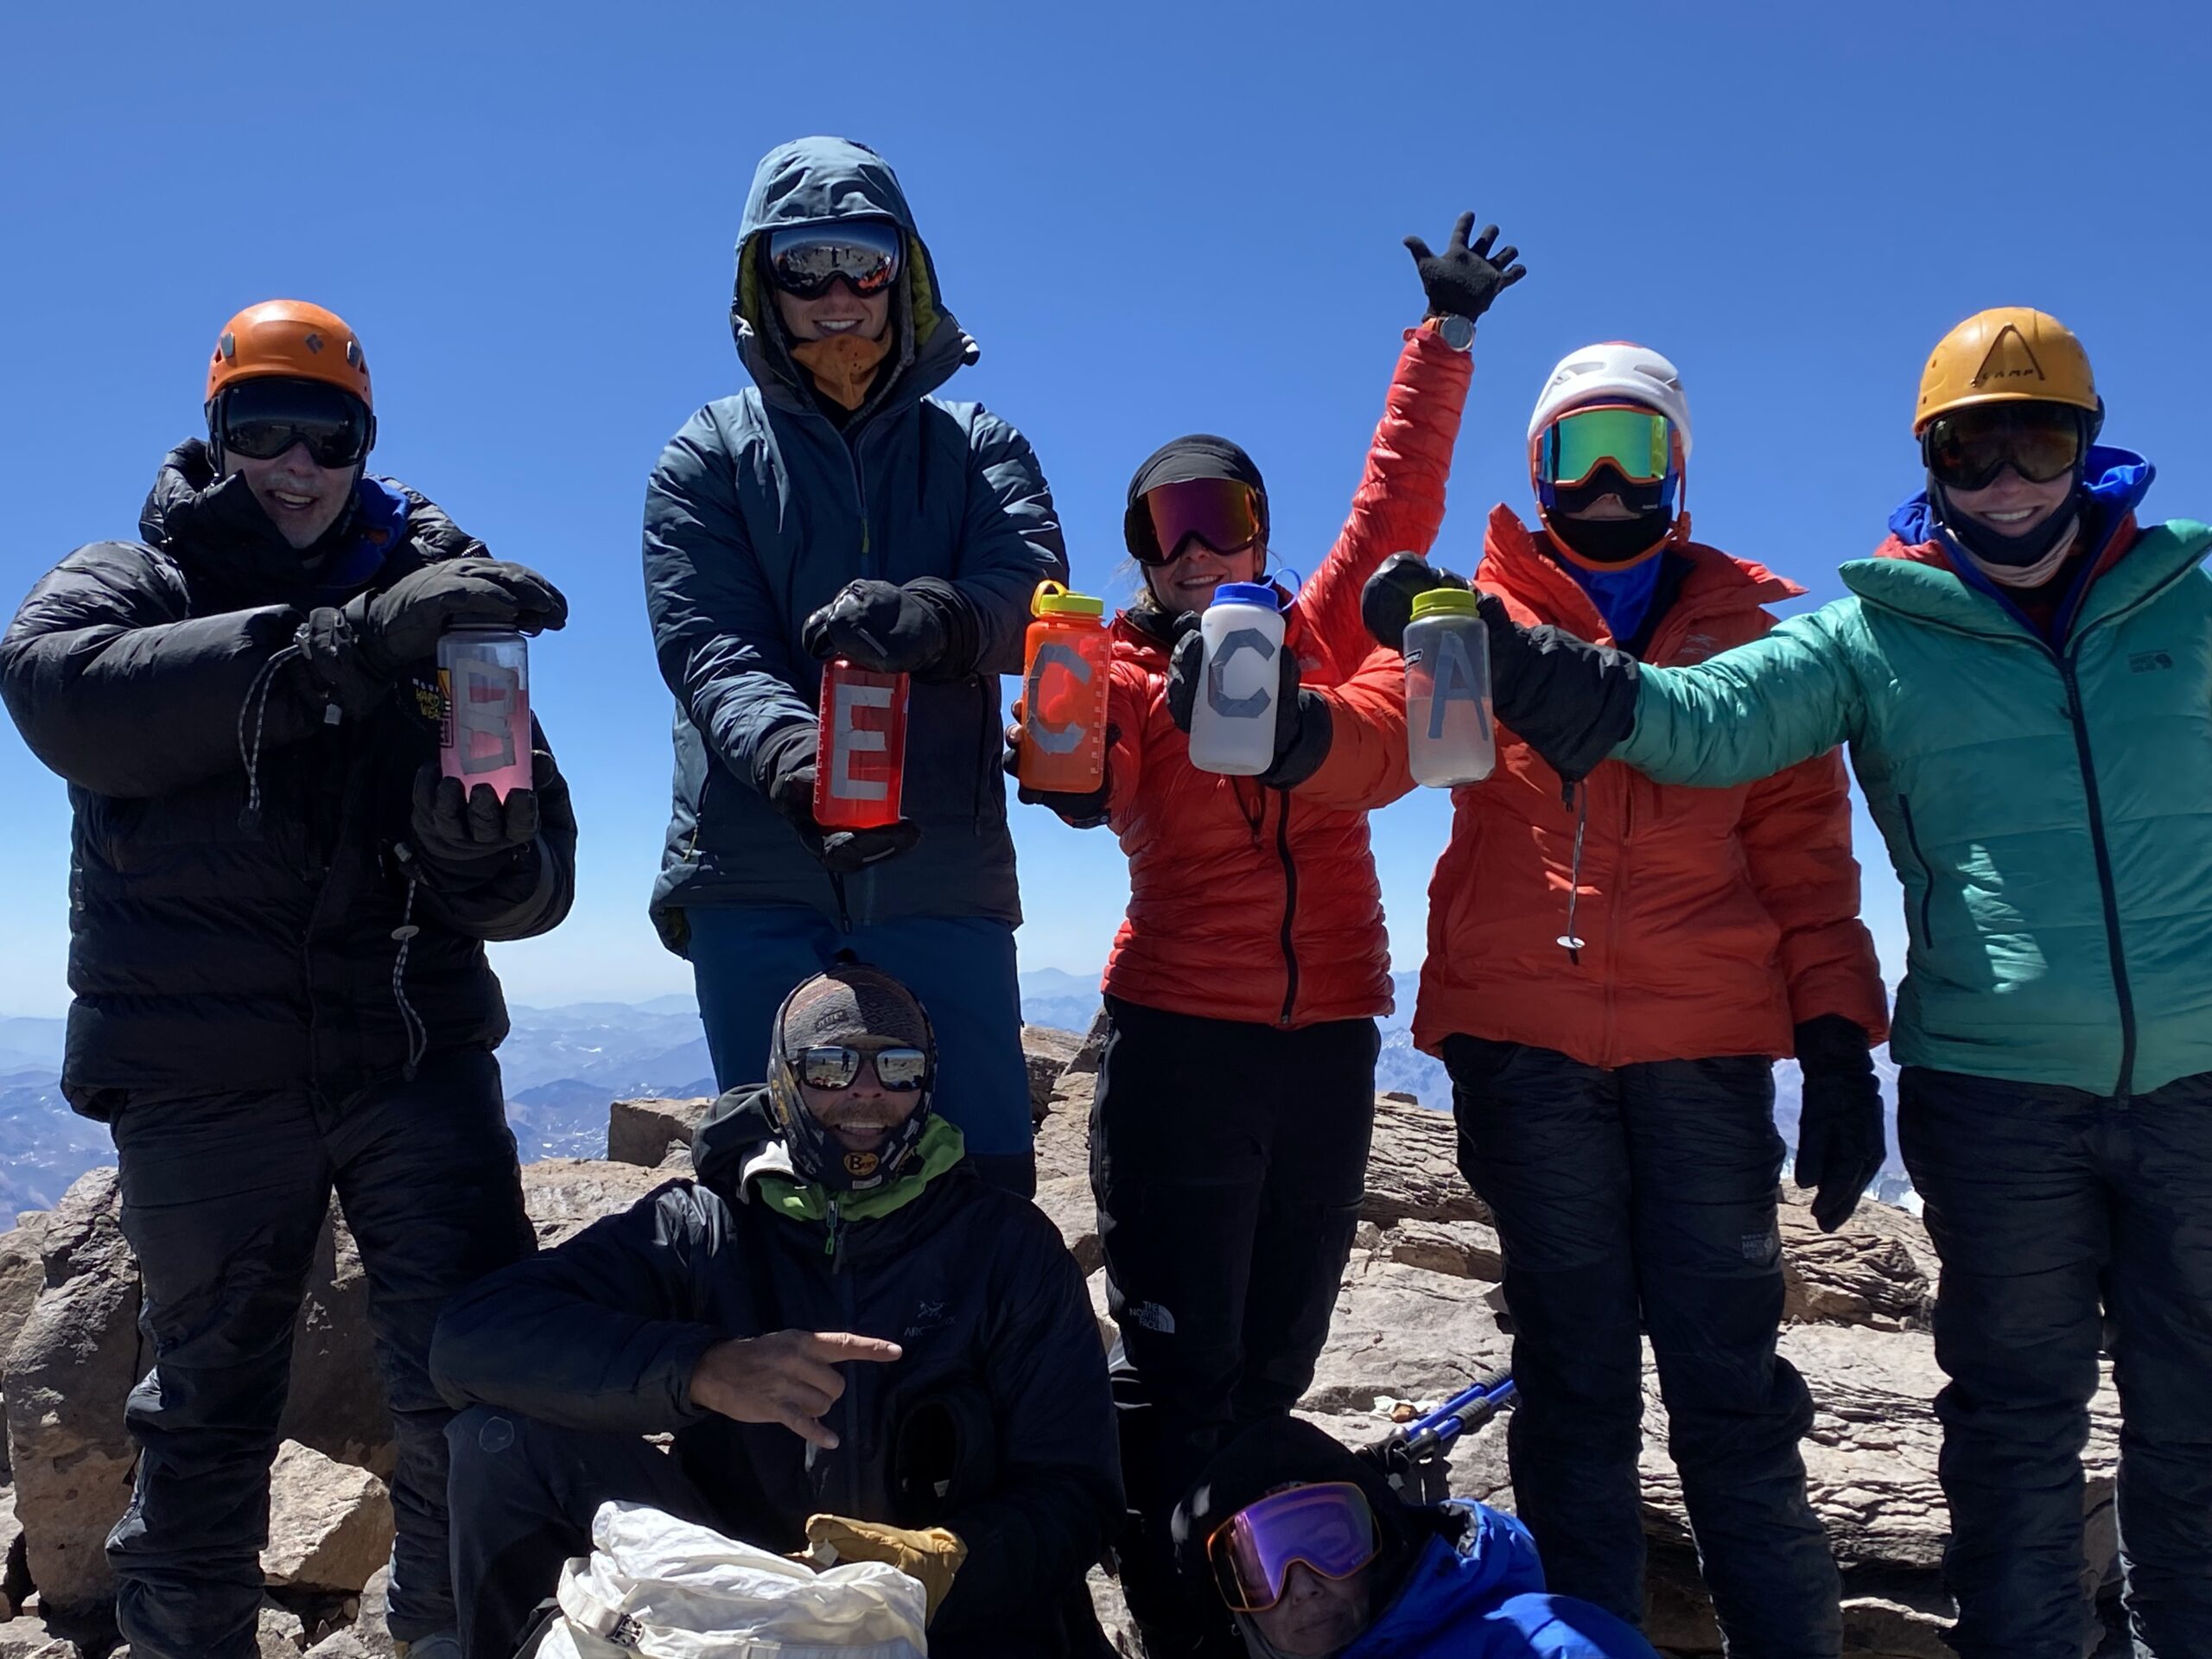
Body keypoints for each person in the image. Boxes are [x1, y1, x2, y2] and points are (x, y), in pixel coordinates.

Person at [1446, 307, 2212, 1657]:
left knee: (2196, 1416)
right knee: (2016, 1422)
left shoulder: (2193, 600)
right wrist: (1504, 660)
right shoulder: (1869, 635)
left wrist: (1834, 1039)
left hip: (2199, 1082)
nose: (2010, 480)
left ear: (2093, 446)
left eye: (2041, 441)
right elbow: (1693, 723)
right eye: (1972, 451)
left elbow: (1796, 860)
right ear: (1931, 459)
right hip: (1997, 1091)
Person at [0, 300, 573, 1659]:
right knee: (207, 1404)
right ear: (215, 435)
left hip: (411, 1059)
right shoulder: (134, 578)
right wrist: (339, 648)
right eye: (260, 429)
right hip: (205, 1076)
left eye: (328, 436)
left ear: (363, 446)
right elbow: (61, 693)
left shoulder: (445, 606)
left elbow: (538, 886)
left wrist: (481, 850)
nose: (294, 464)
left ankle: (449, 1638)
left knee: (466, 1382)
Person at [1009, 213, 1516, 1657]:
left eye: (1220, 520)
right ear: (1140, 561)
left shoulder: (1315, 638)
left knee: (1279, 1360)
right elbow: (1076, 761)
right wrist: (1062, 752)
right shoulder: (1109, 667)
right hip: (1181, 1047)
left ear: (1257, 533)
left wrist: (1446, 338)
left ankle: (1255, 1598)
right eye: (1166, 533)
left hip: (1327, 1047)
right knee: (1182, 1375)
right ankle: (1176, 1616)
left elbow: (1399, 496)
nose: (1194, 551)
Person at [1358, 344, 1888, 1653]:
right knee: (1577, 1383)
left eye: (1634, 450)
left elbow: (1810, 865)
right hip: (1527, 1051)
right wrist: (1325, 692)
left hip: (1706, 1059)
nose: (1602, 481)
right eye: (1573, 451)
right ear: (1535, 472)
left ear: (1680, 470)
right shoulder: (1466, 618)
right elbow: (1382, 741)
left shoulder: (1754, 650)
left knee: (1732, 1399)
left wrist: (1836, 1043)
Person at [430, 962, 1121, 1659]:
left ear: (927, 1081)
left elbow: (1078, 1492)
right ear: (784, 1081)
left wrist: (938, 1562)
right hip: (740, 1595)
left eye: (899, 1067)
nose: (867, 1092)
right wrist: (700, 1371)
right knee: (498, 1439)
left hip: (948, 1619)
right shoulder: (704, 1230)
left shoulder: (1002, 1245)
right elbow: (469, 1341)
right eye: (830, 1066)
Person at [643, 135, 1067, 1196]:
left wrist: (937, 618)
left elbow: (1034, 600)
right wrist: (797, 758)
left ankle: (971, 1361)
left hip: (939, 871)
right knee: (776, 1176)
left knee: (981, 1175)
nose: (836, 292)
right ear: (763, 280)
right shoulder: (704, 457)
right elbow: (707, 643)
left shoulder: (978, 448)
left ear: (903, 274)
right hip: (756, 865)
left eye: (863, 262)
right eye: (804, 264)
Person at [1172, 1415, 1661, 1659]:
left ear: (1383, 1539)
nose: (1303, 1587)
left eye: (1328, 1543)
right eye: (1260, 1571)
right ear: (1232, 1608)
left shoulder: (1547, 1644)